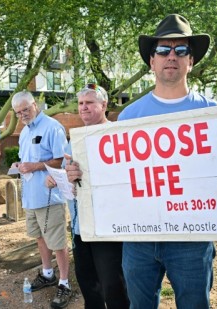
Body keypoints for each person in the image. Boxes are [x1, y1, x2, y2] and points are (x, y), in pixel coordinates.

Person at [65, 14, 217, 309]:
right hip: (138, 242)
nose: (172, 56)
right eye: (164, 50)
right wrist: (80, 175)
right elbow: (110, 180)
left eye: (181, 50)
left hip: (192, 242)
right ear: (152, 61)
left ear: (190, 61)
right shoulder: (129, 118)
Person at [46, 84, 129, 309]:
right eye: (80, 103)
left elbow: (124, 179)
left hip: (107, 227)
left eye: (89, 102)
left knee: (113, 285)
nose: (83, 107)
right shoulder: (75, 139)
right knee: (88, 283)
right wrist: (57, 178)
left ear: (104, 105)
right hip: (79, 226)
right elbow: (72, 179)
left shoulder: (116, 134)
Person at [11, 90, 72, 309]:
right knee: (39, 237)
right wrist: (20, 166)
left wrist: (35, 166)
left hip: (49, 197)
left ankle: (64, 282)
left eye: (25, 109)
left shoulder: (52, 127)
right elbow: (26, 160)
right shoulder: (25, 131)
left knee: (57, 242)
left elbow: (61, 160)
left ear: (35, 105)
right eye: (18, 113)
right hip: (31, 196)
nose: (22, 115)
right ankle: (48, 274)